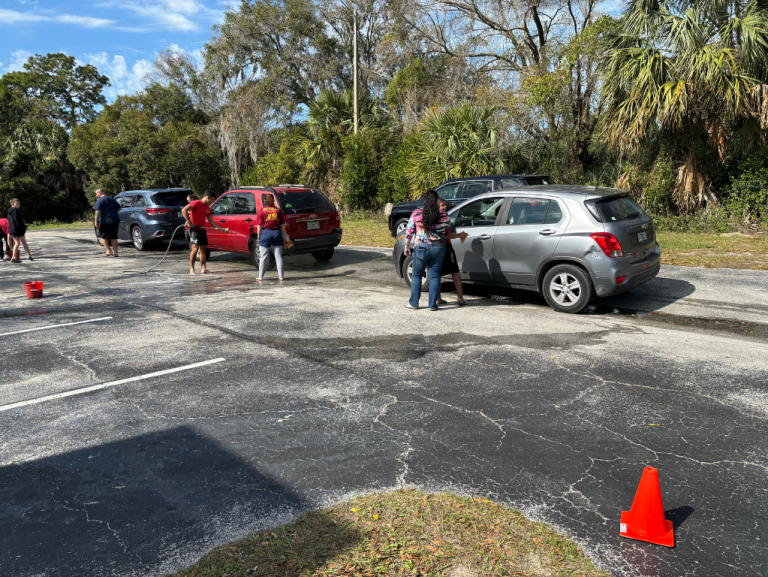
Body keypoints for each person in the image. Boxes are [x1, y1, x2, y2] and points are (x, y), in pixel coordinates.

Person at [404, 189, 460, 311]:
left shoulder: (417, 213)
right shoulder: (444, 215)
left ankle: (414, 303)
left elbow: (409, 231)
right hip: (439, 248)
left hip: (421, 248)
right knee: (435, 277)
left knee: (417, 275)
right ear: (436, 200)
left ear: (425, 200)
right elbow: (448, 228)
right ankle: (433, 305)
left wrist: (407, 245)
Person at [182, 190, 227, 275]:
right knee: (195, 249)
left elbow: (211, 222)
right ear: (207, 197)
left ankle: (204, 268)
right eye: (212, 200)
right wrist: (189, 222)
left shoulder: (207, 208)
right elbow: (184, 210)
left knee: (203, 249)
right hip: (194, 229)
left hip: (202, 230)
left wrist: (222, 229)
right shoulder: (196, 203)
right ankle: (192, 269)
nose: (212, 202)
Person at [436, 197, 468, 306]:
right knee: (455, 271)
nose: (444, 207)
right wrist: (460, 235)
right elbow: (446, 235)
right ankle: (460, 297)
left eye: (445, 205)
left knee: (438, 273)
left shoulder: (435, 217)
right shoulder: (443, 218)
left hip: (437, 247)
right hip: (446, 246)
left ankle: (438, 298)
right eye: (442, 205)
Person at [255, 194, 287, 282]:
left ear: (265, 201)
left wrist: (258, 235)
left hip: (266, 233)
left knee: (263, 256)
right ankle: (281, 276)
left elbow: (259, 224)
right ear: (273, 201)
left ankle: (260, 276)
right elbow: (281, 225)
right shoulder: (278, 211)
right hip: (277, 233)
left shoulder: (262, 211)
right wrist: (285, 236)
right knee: (278, 256)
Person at [94, 189, 121, 257]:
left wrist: (96, 221)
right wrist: (113, 213)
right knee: (113, 237)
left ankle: (109, 251)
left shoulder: (100, 200)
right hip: (115, 220)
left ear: (99, 193)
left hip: (105, 221)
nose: (96, 195)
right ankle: (116, 253)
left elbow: (98, 211)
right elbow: (119, 208)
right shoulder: (112, 199)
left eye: (96, 194)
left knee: (103, 237)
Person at [7, 198, 32, 263]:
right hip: (18, 229)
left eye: (19, 204)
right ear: (12, 204)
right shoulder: (16, 210)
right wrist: (24, 227)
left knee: (17, 243)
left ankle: (14, 257)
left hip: (12, 229)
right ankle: (28, 256)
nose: (19, 205)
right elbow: (18, 220)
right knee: (23, 242)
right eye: (17, 204)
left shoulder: (9, 212)